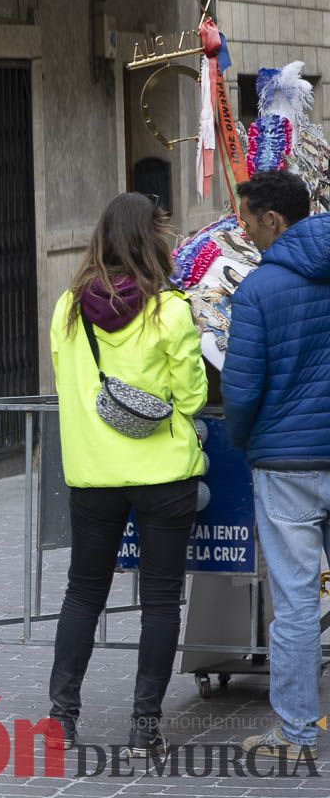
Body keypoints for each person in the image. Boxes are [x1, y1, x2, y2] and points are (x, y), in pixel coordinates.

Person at [47, 193, 207, 755]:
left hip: (92, 474)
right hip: (164, 472)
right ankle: (144, 724)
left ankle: (62, 717)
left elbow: (69, 391)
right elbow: (190, 395)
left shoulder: (66, 309)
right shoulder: (170, 310)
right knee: (161, 601)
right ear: (153, 239)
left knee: (82, 593)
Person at [223, 170, 330, 760]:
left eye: (247, 220)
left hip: (286, 460)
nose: (245, 231)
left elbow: (241, 391)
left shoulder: (259, 292)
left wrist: (246, 439)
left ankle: (293, 732)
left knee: (293, 602)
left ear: (274, 220)